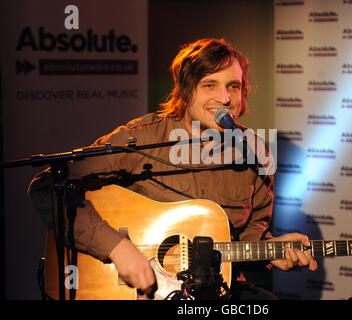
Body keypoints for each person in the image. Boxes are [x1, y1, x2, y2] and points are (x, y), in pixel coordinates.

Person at [28, 38, 317, 300]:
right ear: (186, 90)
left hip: (215, 294)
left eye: (233, 86)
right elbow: (48, 188)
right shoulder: (140, 138)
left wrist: (273, 251)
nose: (225, 99)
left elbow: (247, 239)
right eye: (209, 85)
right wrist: (117, 248)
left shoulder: (256, 152)